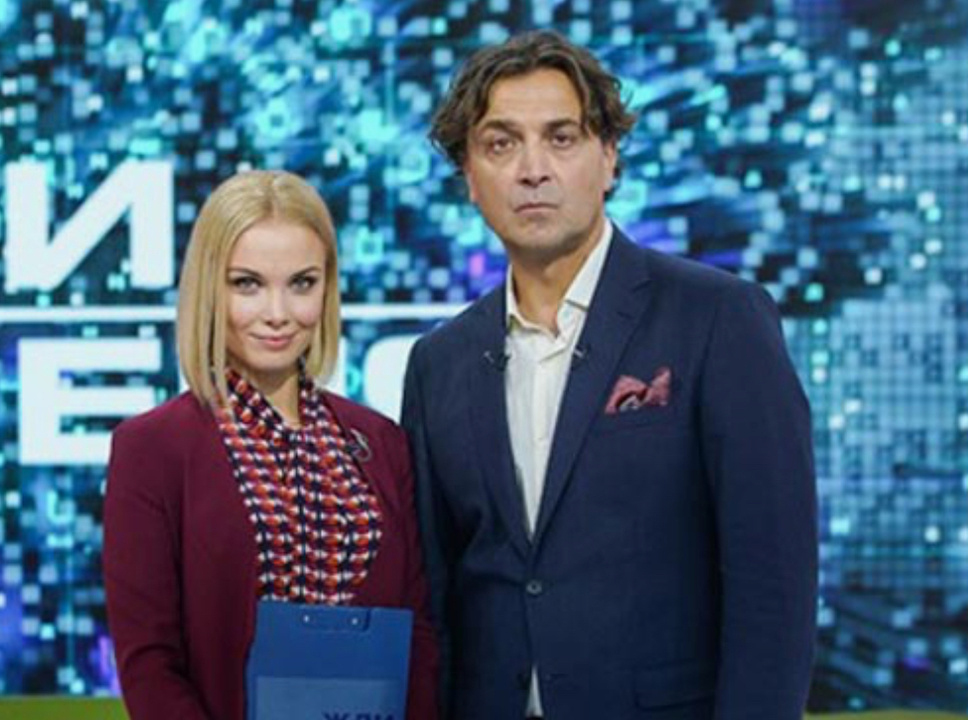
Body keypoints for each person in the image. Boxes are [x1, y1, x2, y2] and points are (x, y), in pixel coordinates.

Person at [401, 30, 817, 719]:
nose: (533, 169)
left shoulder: (718, 318)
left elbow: (773, 583)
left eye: (561, 138)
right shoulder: (438, 361)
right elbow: (439, 597)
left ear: (609, 158)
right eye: (501, 144)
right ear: (469, 177)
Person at [104, 170, 438, 720]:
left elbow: (417, 633)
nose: (278, 313)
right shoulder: (153, 448)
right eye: (248, 284)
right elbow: (150, 662)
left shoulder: (380, 442)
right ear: (210, 289)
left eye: (302, 283)